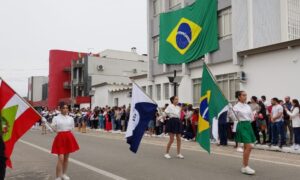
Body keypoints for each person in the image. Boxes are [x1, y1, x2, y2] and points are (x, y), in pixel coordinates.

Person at [51, 103, 80, 180]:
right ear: (60, 109)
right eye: (63, 108)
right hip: (60, 137)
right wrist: (46, 124)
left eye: (67, 108)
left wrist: (70, 138)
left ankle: (64, 174)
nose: (65, 109)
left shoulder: (71, 118)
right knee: (61, 158)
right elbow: (52, 128)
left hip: (68, 137)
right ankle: (57, 176)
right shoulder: (56, 118)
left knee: (66, 158)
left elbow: (72, 128)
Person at [233, 91, 256, 175]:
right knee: (249, 146)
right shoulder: (235, 107)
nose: (245, 97)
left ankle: (244, 166)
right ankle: (246, 166)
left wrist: (254, 116)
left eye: (246, 95)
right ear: (239, 97)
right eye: (243, 95)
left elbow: (251, 118)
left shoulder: (247, 106)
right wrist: (232, 111)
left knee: (247, 147)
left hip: (248, 125)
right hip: (242, 125)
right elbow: (233, 117)